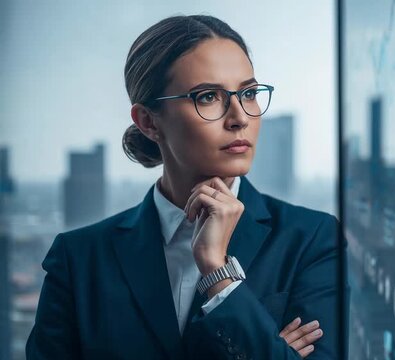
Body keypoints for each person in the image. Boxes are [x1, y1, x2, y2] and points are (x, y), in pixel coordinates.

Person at [26, 14, 347, 359]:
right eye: (208, 96)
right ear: (148, 121)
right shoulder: (78, 259)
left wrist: (219, 274)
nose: (239, 117)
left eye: (249, 93)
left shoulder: (312, 239)